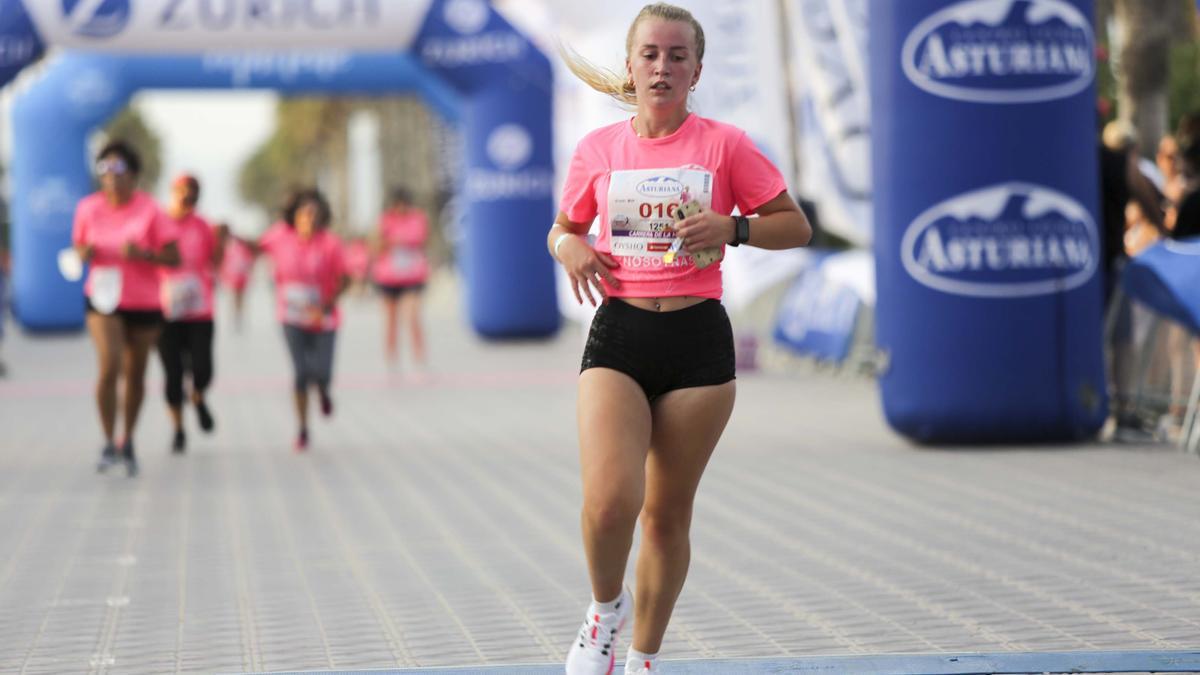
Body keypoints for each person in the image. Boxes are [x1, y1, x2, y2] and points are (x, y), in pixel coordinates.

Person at [553, 4, 811, 672]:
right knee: (611, 501)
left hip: (698, 340)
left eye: (676, 56)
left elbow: (794, 225)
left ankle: (643, 656)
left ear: (697, 70)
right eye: (650, 54)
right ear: (631, 65)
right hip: (620, 330)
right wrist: (569, 249)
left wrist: (734, 228)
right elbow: (563, 228)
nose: (662, 67)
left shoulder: (725, 145)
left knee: (665, 517)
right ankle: (604, 613)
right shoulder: (599, 150)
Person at [72, 140, 180, 476]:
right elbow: (78, 247)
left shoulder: (151, 210)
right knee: (110, 365)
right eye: (104, 169)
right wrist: (84, 253)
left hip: (144, 300)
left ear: (133, 175)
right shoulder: (88, 208)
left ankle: (128, 439)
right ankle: (107, 441)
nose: (111, 177)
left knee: (136, 375)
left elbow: (174, 257)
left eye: (119, 170)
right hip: (104, 297)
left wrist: (145, 254)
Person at [251, 188, 348, 451]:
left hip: (324, 317)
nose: (309, 219)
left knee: (322, 372)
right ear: (294, 216)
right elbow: (255, 247)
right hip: (291, 317)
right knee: (301, 373)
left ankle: (324, 390)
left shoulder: (330, 243)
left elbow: (345, 278)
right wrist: (230, 236)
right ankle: (303, 429)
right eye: (303, 214)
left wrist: (327, 304)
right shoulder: (279, 237)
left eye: (314, 214)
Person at [157, 174, 224, 453]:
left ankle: (197, 396)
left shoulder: (203, 226)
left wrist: (221, 243)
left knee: (203, 370)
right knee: (173, 375)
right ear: (173, 192)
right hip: (166, 311)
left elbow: (215, 260)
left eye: (193, 194)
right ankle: (178, 429)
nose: (188, 198)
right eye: (183, 192)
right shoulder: (158, 223)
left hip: (199, 310)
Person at [370, 187, 430, 373]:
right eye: (398, 205)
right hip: (388, 276)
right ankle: (391, 358)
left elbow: (420, 239)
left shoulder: (418, 218)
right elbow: (376, 244)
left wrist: (398, 240)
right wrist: (387, 242)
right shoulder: (384, 220)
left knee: (412, 317)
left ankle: (419, 358)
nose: (401, 208)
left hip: (412, 276)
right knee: (390, 320)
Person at [218, 222, 255, 332]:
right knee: (234, 299)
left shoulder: (244, 250)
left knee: (240, 299)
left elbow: (249, 263)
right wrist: (223, 276)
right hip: (233, 278)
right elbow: (224, 263)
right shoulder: (229, 248)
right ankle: (234, 318)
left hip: (241, 278)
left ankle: (239, 318)